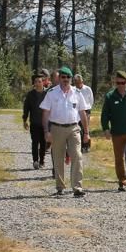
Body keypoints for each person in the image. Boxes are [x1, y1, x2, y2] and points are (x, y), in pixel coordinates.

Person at [39, 66, 90, 197]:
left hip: (74, 128)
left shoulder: (77, 93)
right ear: (59, 78)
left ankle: (77, 187)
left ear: (71, 79)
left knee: (77, 156)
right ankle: (60, 186)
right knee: (58, 158)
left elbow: (82, 113)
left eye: (68, 77)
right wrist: (46, 131)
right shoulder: (52, 93)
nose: (65, 79)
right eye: (63, 77)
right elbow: (45, 113)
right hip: (56, 128)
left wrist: (87, 133)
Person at [23, 74, 48, 170]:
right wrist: (24, 120)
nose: (37, 83)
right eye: (36, 82)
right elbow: (26, 108)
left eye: (39, 81)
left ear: (43, 82)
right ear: (33, 83)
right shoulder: (30, 95)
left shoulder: (48, 94)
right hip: (34, 122)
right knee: (35, 142)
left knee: (43, 143)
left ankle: (42, 160)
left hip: (45, 123)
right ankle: (35, 161)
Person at [73, 74, 94, 152]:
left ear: (82, 81)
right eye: (76, 83)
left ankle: (87, 145)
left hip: (86, 110)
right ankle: (81, 146)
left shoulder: (88, 89)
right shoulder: (73, 90)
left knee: (86, 128)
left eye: (79, 82)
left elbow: (91, 100)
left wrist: (88, 109)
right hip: (78, 111)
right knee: (79, 128)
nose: (78, 84)